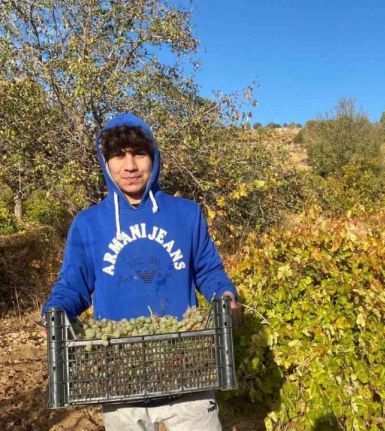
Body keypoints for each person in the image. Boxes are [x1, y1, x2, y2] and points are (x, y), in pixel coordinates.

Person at [41, 113, 239, 430]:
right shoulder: (88, 224)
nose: (130, 166)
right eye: (119, 155)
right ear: (105, 162)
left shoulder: (186, 214)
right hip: (119, 373)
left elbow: (208, 270)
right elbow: (73, 286)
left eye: (139, 153)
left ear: (154, 157)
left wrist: (225, 296)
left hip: (186, 366)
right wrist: (55, 311)